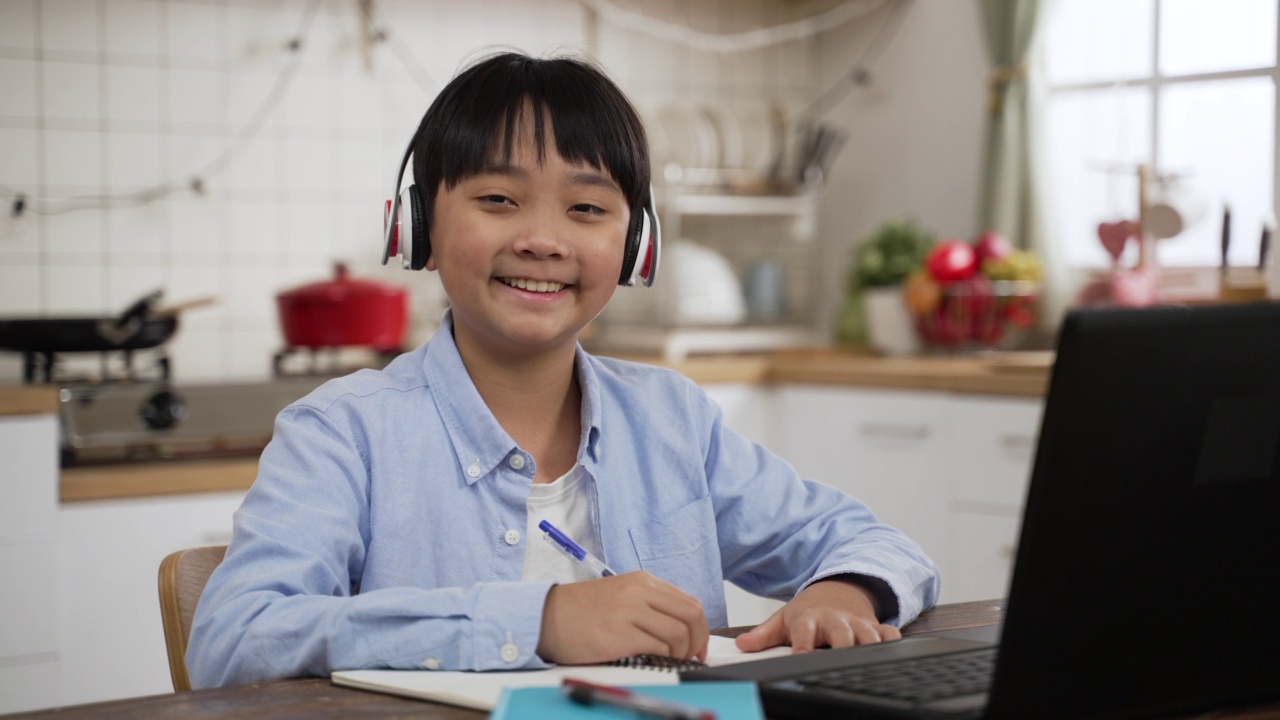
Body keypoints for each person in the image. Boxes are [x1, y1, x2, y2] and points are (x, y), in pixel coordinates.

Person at [186, 50, 940, 689]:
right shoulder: (343, 433)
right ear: (416, 226)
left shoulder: (672, 419)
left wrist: (844, 591)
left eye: (587, 209)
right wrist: (538, 620)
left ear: (636, 245)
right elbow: (234, 638)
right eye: (498, 198)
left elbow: (877, 545)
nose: (544, 239)